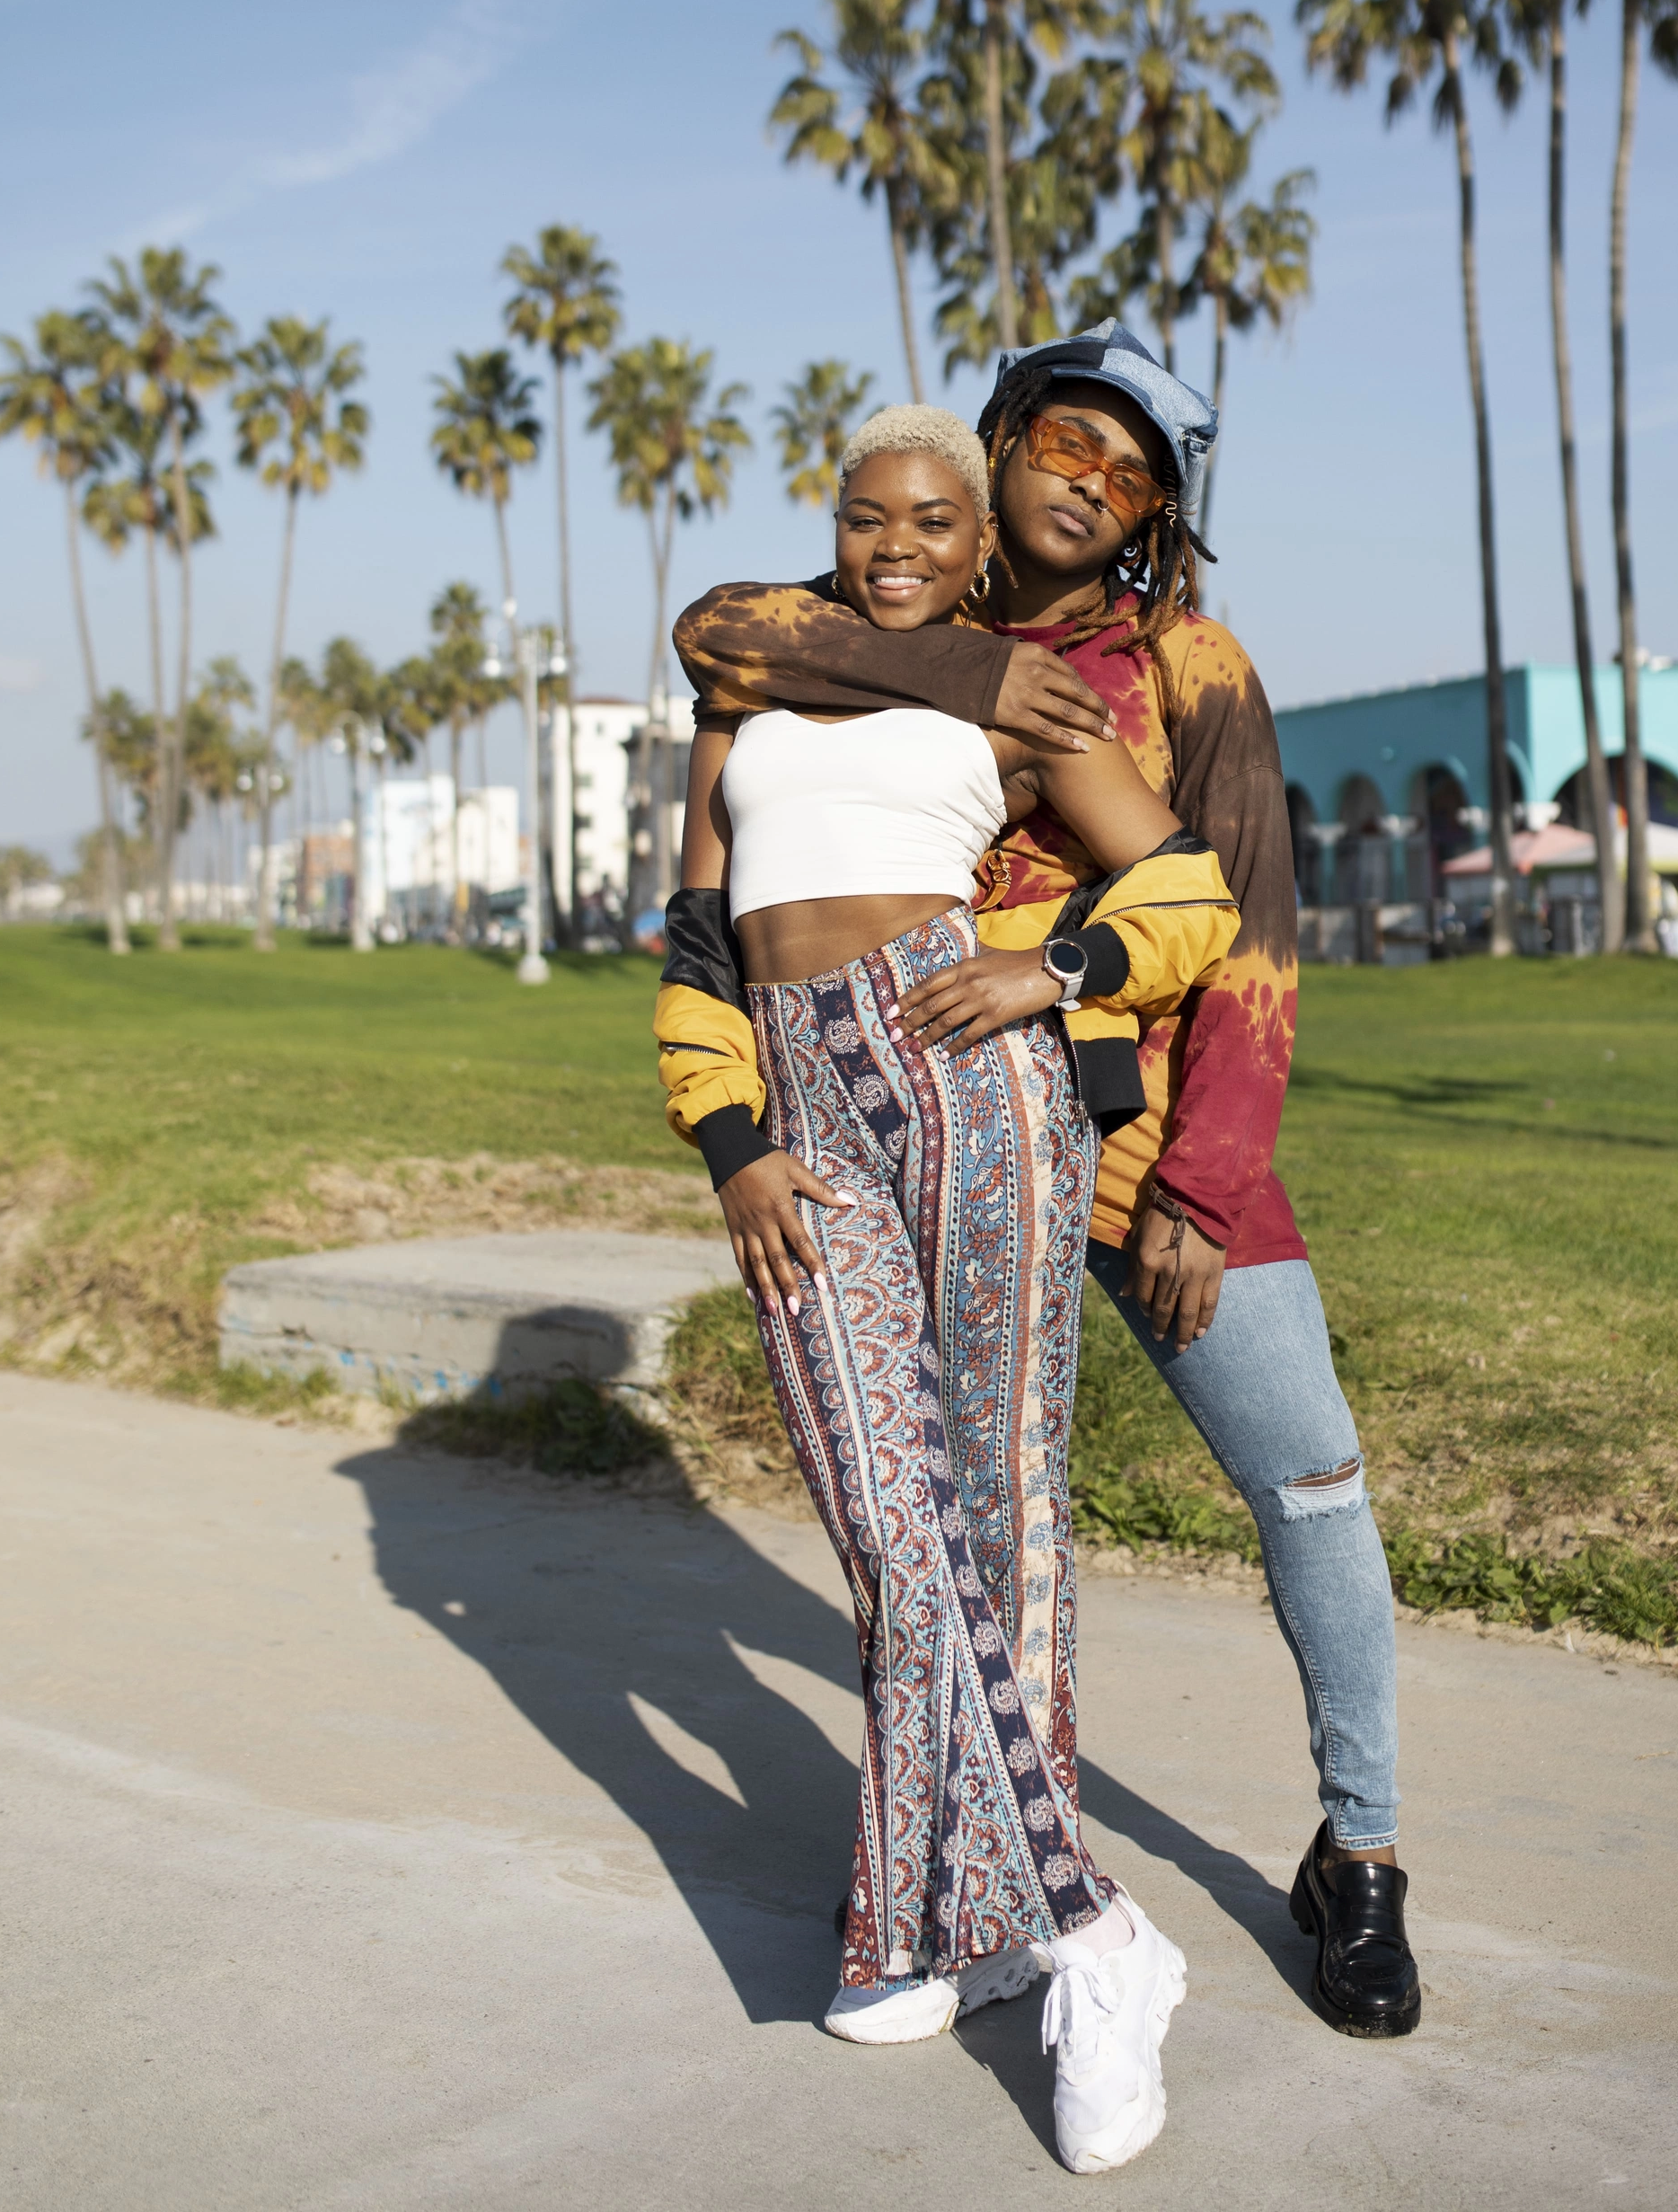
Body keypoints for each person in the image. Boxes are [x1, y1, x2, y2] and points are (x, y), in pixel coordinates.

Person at [676, 321, 1419, 2046]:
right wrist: (953, 676)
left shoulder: (1191, 662)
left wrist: (1204, 1187)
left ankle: (1362, 1854)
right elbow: (718, 629)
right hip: (919, 1118)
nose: (1095, 483)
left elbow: (1251, 929)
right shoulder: (876, 618)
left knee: (1309, 1477)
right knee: (945, 1509)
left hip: (1139, 1138)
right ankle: (963, 1883)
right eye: (1071, 444)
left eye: (1136, 474)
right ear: (1001, 443)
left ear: (1163, 516)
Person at [655, 403, 1240, 2176]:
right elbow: (693, 935)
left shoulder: (1021, 696)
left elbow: (1191, 890)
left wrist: (1049, 965)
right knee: (892, 1526)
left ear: (978, 544)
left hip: (970, 1075)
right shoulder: (752, 679)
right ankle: (1094, 1932)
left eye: (930, 517)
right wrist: (733, 1142)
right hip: (803, 1112)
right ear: (835, 528)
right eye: (864, 513)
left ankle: (948, 1926)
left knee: (997, 1521)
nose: (894, 538)